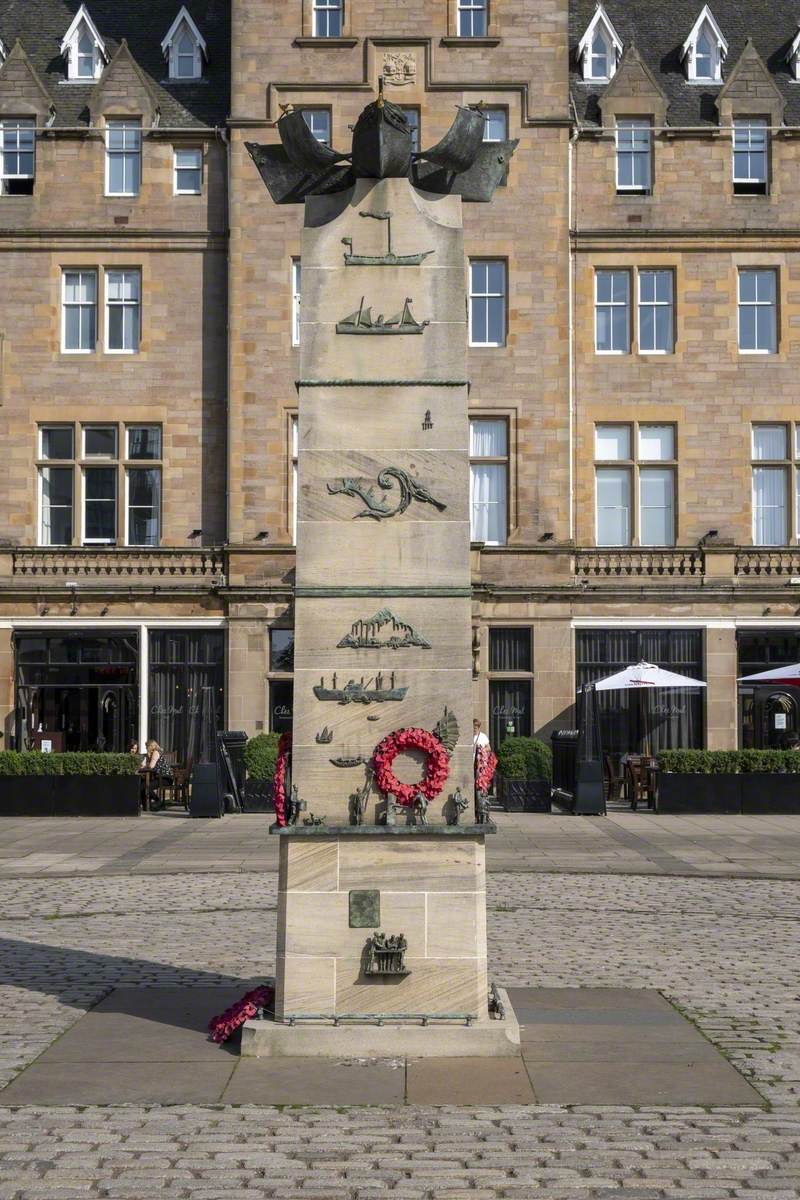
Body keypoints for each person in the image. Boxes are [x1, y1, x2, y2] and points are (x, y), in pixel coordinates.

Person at [139, 739, 169, 811]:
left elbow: (151, 766)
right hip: (158, 777)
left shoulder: (155, 753)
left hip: (165, 778)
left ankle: (159, 802)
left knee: (147, 788)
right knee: (141, 786)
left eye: (147, 746)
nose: (146, 748)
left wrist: (145, 764)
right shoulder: (150, 754)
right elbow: (143, 765)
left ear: (150, 746)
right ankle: (145, 805)